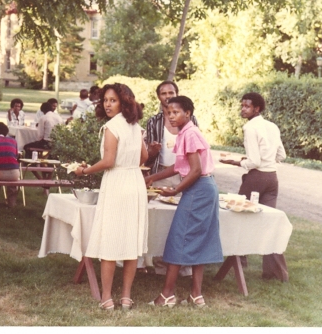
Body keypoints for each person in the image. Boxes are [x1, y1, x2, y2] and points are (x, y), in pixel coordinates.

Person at [74, 83, 148, 311]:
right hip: (135, 183)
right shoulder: (135, 126)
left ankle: (107, 296)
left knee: (110, 239)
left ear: (124, 102)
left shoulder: (111, 127)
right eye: (105, 100)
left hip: (117, 183)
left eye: (113, 100)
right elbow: (144, 157)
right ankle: (126, 297)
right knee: (130, 240)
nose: (107, 104)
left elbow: (108, 161)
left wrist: (84, 171)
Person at [144, 96, 222, 308]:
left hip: (199, 189)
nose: (171, 116)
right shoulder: (186, 133)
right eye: (168, 113)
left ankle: (167, 295)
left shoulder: (190, 133)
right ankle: (196, 296)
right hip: (205, 189)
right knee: (199, 240)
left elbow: (195, 170)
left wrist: (175, 190)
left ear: (188, 113)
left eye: (176, 112)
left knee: (179, 240)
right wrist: (152, 177)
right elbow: (179, 167)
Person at [220, 92, 288, 281]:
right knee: (269, 222)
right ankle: (275, 273)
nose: (243, 109)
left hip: (256, 178)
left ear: (257, 108)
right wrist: (255, 160)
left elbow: (254, 161)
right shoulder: (272, 126)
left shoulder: (249, 127)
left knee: (239, 217)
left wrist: (237, 162)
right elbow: (281, 155)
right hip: (272, 178)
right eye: (242, 106)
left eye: (247, 106)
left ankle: (239, 261)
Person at [144, 80, 198, 277]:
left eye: (171, 92)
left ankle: (183, 265)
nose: (167, 96)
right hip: (161, 174)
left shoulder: (191, 121)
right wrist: (151, 151)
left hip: (185, 176)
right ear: (158, 97)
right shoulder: (153, 122)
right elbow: (147, 156)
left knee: (183, 219)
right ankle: (159, 265)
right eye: (163, 93)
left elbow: (195, 156)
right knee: (160, 221)